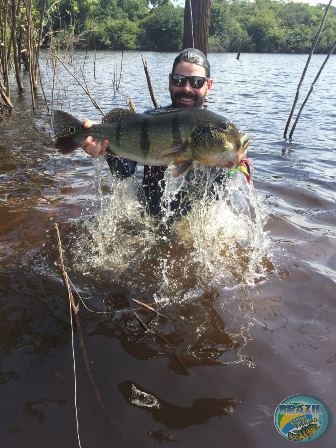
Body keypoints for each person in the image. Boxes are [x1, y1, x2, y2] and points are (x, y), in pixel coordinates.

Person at [82, 48, 214, 217]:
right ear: (170, 82)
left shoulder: (218, 130)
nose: (186, 88)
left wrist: (230, 164)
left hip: (197, 221)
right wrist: (104, 148)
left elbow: (224, 187)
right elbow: (124, 171)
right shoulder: (149, 120)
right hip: (151, 218)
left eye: (196, 82)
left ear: (208, 86)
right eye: (179, 80)